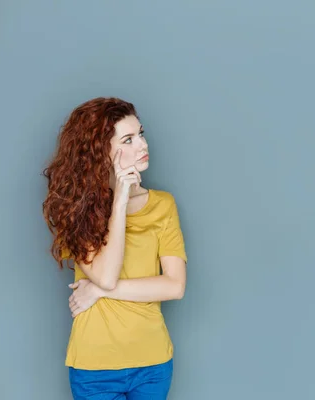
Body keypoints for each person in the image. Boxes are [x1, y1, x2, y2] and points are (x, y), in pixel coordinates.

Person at [42, 97, 188, 399]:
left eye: (141, 134)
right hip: (94, 367)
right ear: (101, 151)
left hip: (152, 363)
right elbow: (106, 275)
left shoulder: (163, 205)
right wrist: (120, 201)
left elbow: (174, 286)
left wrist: (97, 291)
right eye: (129, 139)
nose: (143, 145)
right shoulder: (76, 209)